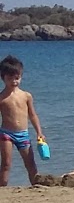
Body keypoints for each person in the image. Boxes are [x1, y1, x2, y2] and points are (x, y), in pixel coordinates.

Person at [0, 55, 44, 186]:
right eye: (10, 78)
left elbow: (32, 115)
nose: (14, 81)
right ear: (3, 78)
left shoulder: (26, 96)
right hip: (6, 134)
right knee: (6, 163)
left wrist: (39, 132)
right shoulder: (2, 97)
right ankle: (2, 188)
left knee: (30, 163)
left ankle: (36, 185)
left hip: (23, 133)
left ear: (21, 77)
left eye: (17, 78)